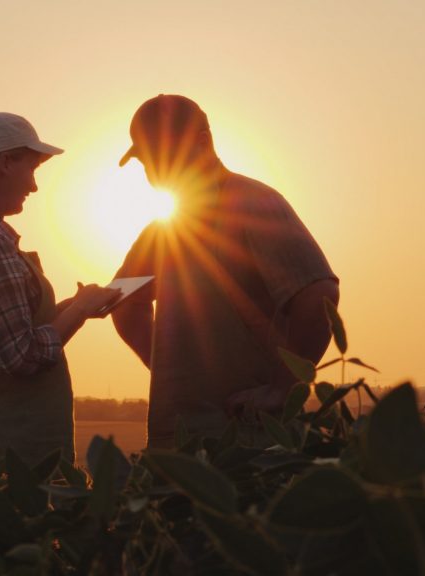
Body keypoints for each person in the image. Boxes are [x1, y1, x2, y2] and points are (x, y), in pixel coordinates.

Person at [111, 95, 339, 447]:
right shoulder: (163, 230)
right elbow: (124, 304)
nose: (153, 170)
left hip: (248, 436)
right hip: (183, 438)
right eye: (146, 160)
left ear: (202, 142)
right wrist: (172, 375)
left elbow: (318, 295)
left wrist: (282, 388)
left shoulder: (252, 203)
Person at [0, 112, 121, 465]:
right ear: (4, 163)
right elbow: (24, 355)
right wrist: (79, 312)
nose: (33, 186)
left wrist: (75, 305)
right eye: (31, 170)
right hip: (14, 457)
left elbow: (7, 333)